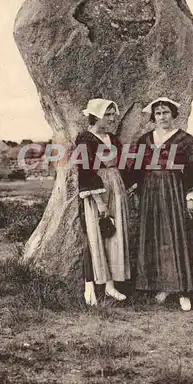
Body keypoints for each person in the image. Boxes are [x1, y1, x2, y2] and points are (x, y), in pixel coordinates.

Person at [132, 97, 193, 311]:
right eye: (158, 113)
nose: (162, 117)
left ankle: (184, 290)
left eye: (166, 112)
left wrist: (192, 198)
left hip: (175, 191)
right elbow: (137, 170)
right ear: (153, 116)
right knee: (156, 237)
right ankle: (163, 286)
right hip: (150, 192)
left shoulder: (186, 140)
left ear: (174, 114)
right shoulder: (145, 140)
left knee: (178, 237)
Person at [75, 98, 135, 306]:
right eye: (107, 114)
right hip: (97, 193)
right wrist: (100, 203)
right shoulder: (84, 139)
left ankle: (110, 286)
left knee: (114, 236)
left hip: (116, 188)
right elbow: (85, 171)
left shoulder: (113, 139)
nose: (112, 118)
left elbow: (122, 166)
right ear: (95, 116)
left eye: (113, 114)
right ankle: (90, 285)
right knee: (97, 236)